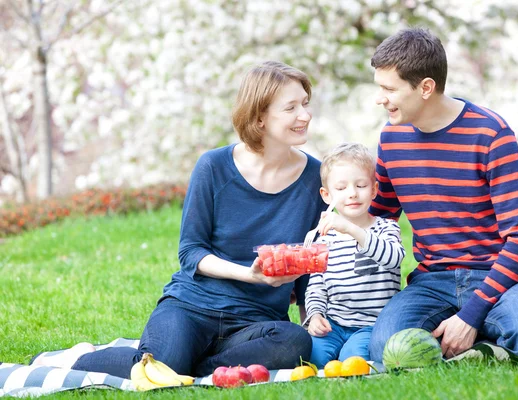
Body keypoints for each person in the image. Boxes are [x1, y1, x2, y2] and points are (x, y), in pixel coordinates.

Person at [32, 61, 327, 378]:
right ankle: (82, 359)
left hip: (256, 319)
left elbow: (305, 261)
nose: (305, 115)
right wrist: (250, 274)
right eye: (291, 108)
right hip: (192, 306)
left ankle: (183, 367)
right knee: (168, 362)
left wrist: (310, 316)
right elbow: (191, 252)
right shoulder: (214, 166)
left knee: (294, 342)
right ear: (259, 118)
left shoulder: (314, 176)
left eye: (305, 104)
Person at [367, 28, 518, 361]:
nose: (379, 99)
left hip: (498, 278)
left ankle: (473, 330)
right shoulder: (391, 139)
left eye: (389, 89)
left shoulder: (490, 134)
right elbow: (379, 216)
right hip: (432, 281)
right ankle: (484, 341)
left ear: (425, 87)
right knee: (384, 347)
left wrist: (471, 314)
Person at [304, 143, 405, 368]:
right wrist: (316, 315)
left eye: (360, 185)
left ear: (374, 190)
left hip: (371, 325)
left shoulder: (386, 229)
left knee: (353, 361)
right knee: (313, 359)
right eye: (341, 188)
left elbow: (393, 258)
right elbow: (316, 285)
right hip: (334, 324)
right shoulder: (324, 240)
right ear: (327, 195)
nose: (352, 193)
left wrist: (351, 229)